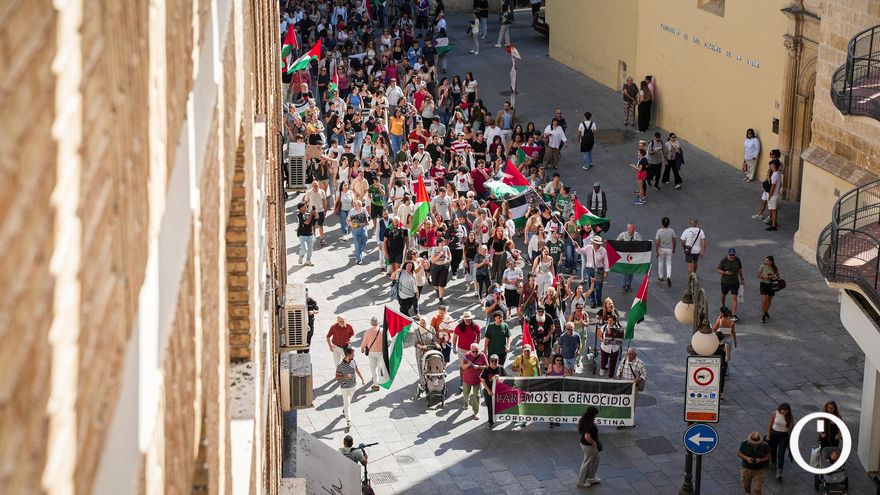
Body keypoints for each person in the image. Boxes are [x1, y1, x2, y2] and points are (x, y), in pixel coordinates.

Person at [336, 347, 365, 429]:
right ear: (348, 355)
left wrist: (362, 379)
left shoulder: (353, 361)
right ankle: (348, 421)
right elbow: (337, 376)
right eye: (353, 354)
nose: (354, 355)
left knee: (347, 402)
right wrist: (345, 376)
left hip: (353, 386)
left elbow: (357, 370)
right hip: (344, 387)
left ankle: (344, 409)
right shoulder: (340, 366)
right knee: (347, 403)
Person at [452, 311, 481, 390]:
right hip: (461, 349)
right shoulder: (459, 327)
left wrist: (477, 345)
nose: (467, 320)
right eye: (466, 319)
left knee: (472, 365)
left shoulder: (476, 326)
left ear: (471, 319)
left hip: (472, 350)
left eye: (469, 319)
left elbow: (479, 335)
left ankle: (472, 380)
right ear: (463, 319)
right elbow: (454, 337)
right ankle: (462, 382)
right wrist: (454, 347)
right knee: (462, 366)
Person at [766, 402, 794, 481]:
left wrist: (790, 428)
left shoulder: (789, 416)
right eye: (783, 410)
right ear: (780, 409)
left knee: (781, 453)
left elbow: (792, 425)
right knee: (773, 450)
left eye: (786, 411)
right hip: (774, 434)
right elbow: (770, 425)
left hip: (784, 436)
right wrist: (768, 435)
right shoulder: (775, 413)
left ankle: (779, 472)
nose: (784, 412)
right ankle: (774, 463)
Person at [576, 406, 602, 487]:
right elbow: (587, 436)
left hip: (586, 444)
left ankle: (591, 476)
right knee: (587, 462)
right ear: (593, 414)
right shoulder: (590, 424)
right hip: (588, 446)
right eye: (595, 414)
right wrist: (593, 443)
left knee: (596, 459)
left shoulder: (586, 420)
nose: (596, 416)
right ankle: (581, 481)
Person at [579, 235, 608, 308]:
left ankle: (598, 300)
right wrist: (576, 246)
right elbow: (580, 251)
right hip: (590, 269)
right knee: (590, 286)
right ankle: (592, 301)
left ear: (599, 244)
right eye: (594, 242)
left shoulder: (603, 250)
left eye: (596, 243)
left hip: (599, 270)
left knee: (599, 286)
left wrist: (606, 271)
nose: (594, 244)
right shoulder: (588, 247)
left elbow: (606, 261)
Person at [460, 343, 487, 419]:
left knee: (476, 396)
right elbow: (463, 367)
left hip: (477, 380)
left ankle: (476, 412)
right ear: (470, 350)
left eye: (477, 351)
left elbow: (486, 366)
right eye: (473, 351)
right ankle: (466, 403)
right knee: (466, 394)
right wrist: (468, 364)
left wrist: (479, 366)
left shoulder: (482, 355)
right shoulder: (467, 355)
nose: (475, 353)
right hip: (467, 379)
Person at [718, 248, 745, 321]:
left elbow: (739, 269)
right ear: (728, 254)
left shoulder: (737, 260)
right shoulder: (724, 260)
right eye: (730, 255)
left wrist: (742, 278)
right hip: (725, 282)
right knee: (723, 294)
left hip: (735, 283)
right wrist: (725, 272)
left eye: (733, 255)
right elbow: (719, 270)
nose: (731, 256)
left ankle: (734, 315)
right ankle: (723, 306)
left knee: (734, 298)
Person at [480, 354, 506, 430]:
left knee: (500, 406)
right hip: (490, 392)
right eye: (492, 361)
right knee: (490, 407)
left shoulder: (501, 368)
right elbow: (482, 380)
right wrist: (488, 390)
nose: (494, 363)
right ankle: (491, 422)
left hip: (499, 391)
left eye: (496, 361)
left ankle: (499, 417)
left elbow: (507, 378)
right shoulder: (487, 369)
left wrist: (500, 377)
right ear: (489, 361)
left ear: (498, 360)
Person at [616, 224, 642, 292]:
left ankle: (629, 285)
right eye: (630, 228)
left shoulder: (637, 235)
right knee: (625, 271)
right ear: (627, 229)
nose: (632, 230)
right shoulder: (623, 235)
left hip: (633, 256)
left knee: (631, 271)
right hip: (625, 256)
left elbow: (642, 244)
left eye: (633, 228)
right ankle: (623, 286)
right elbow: (616, 242)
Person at [360, 316, 384, 391]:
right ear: (378, 323)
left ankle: (376, 385)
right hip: (380, 352)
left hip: (372, 352)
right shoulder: (382, 330)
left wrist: (362, 348)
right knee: (379, 367)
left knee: (373, 368)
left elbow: (365, 341)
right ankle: (379, 379)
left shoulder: (368, 331)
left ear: (371, 323)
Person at [757, 255, 780, 324]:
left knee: (769, 300)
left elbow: (778, 276)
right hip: (763, 285)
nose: (765, 261)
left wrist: (771, 276)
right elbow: (757, 275)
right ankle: (763, 315)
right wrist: (762, 276)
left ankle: (766, 311)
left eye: (767, 260)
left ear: (771, 262)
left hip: (771, 285)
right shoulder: (762, 267)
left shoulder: (775, 268)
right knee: (764, 301)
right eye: (765, 260)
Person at [655, 217, 676, 287]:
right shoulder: (672, 231)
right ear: (669, 223)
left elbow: (657, 242)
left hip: (661, 249)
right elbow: (674, 241)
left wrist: (657, 251)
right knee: (669, 263)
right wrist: (674, 248)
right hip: (669, 249)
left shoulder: (659, 231)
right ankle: (668, 276)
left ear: (662, 223)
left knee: (660, 262)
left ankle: (661, 276)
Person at [348, 200, 370, 264]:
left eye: (360, 205)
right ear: (355, 205)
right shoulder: (352, 211)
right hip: (355, 230)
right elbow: (348, 220)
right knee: (357, 243)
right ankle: (358, 258)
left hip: (363, 228)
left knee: (365, 242)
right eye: (358, 205)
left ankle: (358, 252)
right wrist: (351, 224)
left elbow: (368, 217)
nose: (360, 206)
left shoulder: (364, 209)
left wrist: (367, 220)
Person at [296, 202, 317, 266]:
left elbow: (317, 217)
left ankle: (308, 260)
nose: (305, 207)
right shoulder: (299, 215)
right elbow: (307, 222)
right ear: (300, 209)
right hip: (302, 234)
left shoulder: (308, 214)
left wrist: (315, 213)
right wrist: (311, 214)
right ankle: (301, 257)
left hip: (310, 234)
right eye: (304, 207)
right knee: (304, 249)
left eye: (306, 206)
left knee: (310, 249)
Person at [765, 160, 782, 231]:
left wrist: (770, 195)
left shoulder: (774, 175)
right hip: (775, 194)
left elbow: (773, 186)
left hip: (773, 195)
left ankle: (773, 225)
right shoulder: (778, 173)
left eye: (771, 165)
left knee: (773, 210)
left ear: (774, 166)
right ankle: (774, 222)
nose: (770, 166)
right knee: (773, 209)